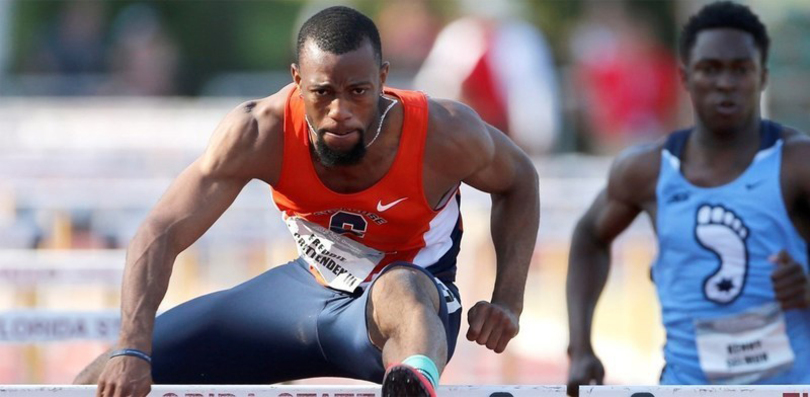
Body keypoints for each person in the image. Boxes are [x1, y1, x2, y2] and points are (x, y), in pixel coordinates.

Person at [73, 6, 539, 397]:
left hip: (404, 308)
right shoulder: (261, 131)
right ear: (297, 81)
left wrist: (508, 300)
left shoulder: (443, 133)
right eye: (323, 93)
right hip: (300, 295)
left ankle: (414, 380)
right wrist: (132, 349)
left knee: (403, 289)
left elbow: (520, 181)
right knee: (102, 376)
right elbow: (161, 230)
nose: (340, 112)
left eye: (358, 92)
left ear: (382, 79)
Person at [566, 1, 810, 393]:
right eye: (710, 68)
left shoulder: (797, 163)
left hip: (791, 388)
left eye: (740, 69)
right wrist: (580, 348)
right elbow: (589, 237)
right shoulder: (647, 170)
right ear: (685, 76)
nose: (725, 83)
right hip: (685, 386)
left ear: (762, 76)